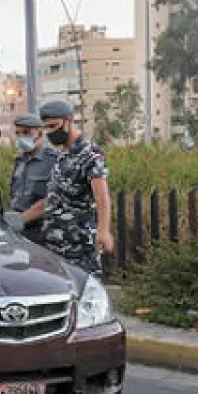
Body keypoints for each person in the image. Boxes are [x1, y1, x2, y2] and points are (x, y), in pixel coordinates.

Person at [30, 100, 115, 273]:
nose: (50, 132)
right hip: (55, 248)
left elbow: (102, 196)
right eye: (46, 128)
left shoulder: (89, 154)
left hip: (79, 248)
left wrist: (104, 230)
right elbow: (55, 198)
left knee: (82, 296)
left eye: (54, 126)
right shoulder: (62, 156)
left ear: (68, 121)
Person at [7, 113, 58, 244]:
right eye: (18, 133)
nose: (21, 137)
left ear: (40, 134)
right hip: (18, 232)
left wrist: (22, 219)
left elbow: (54, 198)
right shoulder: (19, 161)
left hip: (41, 233)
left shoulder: (53, 160)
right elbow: (14, 196)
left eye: (26, 132)